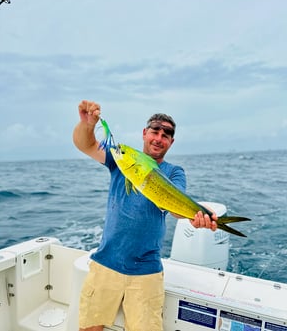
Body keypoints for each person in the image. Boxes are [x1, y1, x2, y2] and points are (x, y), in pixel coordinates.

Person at [73, 100, 218, 331]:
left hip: (146, 271)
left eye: (166, 134)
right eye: (155, 131)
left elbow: (175, 205)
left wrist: (197, 217)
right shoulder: (121, 159)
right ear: (144, 133)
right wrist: (87, 124)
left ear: (171, 141)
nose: (159, 138)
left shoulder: (174, 172)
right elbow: (85, 144)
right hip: (105, 263)